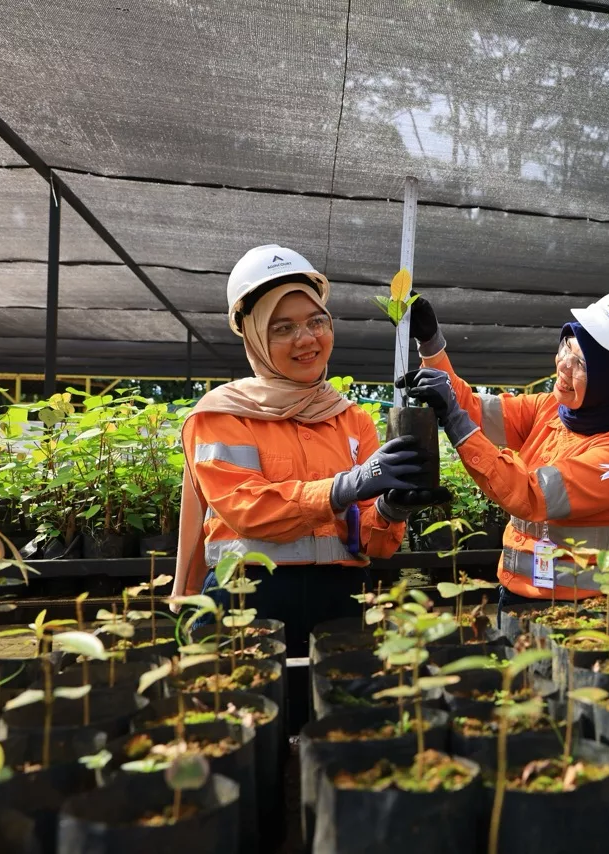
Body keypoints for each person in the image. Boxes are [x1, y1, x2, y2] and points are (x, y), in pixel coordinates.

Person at [171, 244, 434, 655]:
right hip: (247, 598)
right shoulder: (221, 415)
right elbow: (246, 509)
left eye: (317, 322)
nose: (307, 339)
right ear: (254, 334)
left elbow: (370, 543)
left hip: (341, 600)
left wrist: (390, 510)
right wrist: (342, 488)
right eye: (283, 328)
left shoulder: (352, 419)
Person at [396, 288, 609, 606]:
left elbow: (530, 494)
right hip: (515, 590)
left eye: (582, 363)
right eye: (565, 348)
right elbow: (474, 411)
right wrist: (432, 345)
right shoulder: (550, 409)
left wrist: (452, 416)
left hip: (582, 607)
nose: (562, 365)